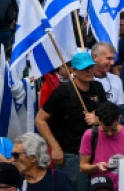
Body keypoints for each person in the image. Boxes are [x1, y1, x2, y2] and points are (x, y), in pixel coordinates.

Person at [36, 52, 106, 191]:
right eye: (84, 68)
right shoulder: (62, 93)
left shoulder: (98, 88)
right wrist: (55, 147)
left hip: (97, 154)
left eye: (91, 67)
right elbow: (40, 119)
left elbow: (109, 116)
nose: (89, 71)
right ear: (73, 71)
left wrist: (98, 120)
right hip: (71, 157)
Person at [79, 101, 124, 187]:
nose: (109, 133)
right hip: (100, 187)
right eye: (105, 130)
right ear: (98, 120)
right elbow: (83, 167)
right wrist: (97, 166)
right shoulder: (90, 135)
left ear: (119, 118)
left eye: (114, 129)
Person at [90, 42, 124, 121]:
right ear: (95, 57)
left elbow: (121, 110)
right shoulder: (84, 80)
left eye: (113, 59)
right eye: (109, 58)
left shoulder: (116, 80)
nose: (112, 63)